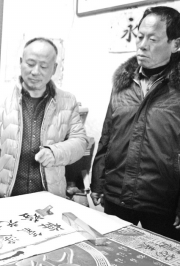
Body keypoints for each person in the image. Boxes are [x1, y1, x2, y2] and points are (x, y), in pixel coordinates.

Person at [90, 6, 180, 241]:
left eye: (153, 39)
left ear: (176, 44)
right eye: (140, 37)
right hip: (117, 195)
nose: (142, 44)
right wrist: (98, 180)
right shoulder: (123, 83)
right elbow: (107, 135)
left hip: (163, 202)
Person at [0, 37, 88, 199]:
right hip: (4, 196)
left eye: (43, 66)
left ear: (54, 68)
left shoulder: (67, 101)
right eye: (30, 64)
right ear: (21, 62)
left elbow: (81, 141)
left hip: (48, 197)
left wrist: (56, 152)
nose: (35, 71)